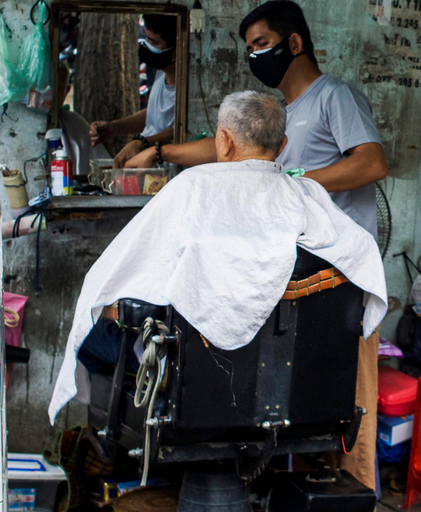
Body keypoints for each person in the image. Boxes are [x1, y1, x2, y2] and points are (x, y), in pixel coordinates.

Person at [125, 1, 386, 491]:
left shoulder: (335, 97)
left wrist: (294, 183)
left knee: (350, 404)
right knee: (302, 408)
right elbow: (228, 146)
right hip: (291, 279)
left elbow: (370, 164)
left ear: (294, 42)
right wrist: (159, 151)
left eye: (261, 44)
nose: (254, 56)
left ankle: (355, 496)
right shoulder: (283, 114)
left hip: (340, 280)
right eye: (249, 49)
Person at [54, 92, 388, 441]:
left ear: (223, 141)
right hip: (282, 375)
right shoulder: (306, 196)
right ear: (283, 144)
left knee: (89, 329)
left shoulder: (192, 187)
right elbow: (360, 253)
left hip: (191, 365)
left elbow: (111, 276)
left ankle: (107, 440)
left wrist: (115, 306)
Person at [89, 14, 178, 168]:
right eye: (147, 38)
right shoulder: (161, 73)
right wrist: (115, 127)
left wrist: (142, 142)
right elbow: (155, 115)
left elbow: (184, 129)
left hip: (167, 173)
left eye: (154, 42)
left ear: (175, 50)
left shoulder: (189, 91)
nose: (146, 45)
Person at [56, 62, 111, 175]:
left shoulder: (75, 125)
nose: (50, 95)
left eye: (58, 89)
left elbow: (104, 170)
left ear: (66, 91)